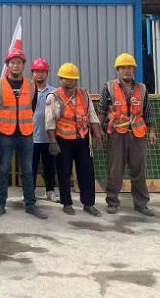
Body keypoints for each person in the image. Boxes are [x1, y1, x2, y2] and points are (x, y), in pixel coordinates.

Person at [0, 49, 47, 220]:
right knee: (3, 169)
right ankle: (0, 205)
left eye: (19, 62)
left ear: (23, 65)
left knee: (28, 170)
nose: (15, 65)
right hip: (5, 133)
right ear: (7, 65)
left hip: (26, 133)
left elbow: (32, 107)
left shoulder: (31, 85)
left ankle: (30, 205)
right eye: (12, 62)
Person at [98, 53, 157, 216]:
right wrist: (99, 131)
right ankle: (112, 202)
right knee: (115, 170)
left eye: (130, 67)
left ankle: (141, 204)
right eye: (123, 67)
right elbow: (102, 110)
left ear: (134, 69)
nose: (126, 70)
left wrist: (152, 131)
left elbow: (148, 111)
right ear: (118, 69)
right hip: (117, 135)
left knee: (139, 170)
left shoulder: (142, 88)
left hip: (138, 135)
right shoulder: (109, 87)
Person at [46, 63, 103, 217]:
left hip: (82, 138)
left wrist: (97, 135)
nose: (70, 81)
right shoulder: (54, 97)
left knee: (87, 172)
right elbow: (50, 121)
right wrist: (52, 141)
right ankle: (67, 203)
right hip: (62, 139)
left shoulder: (84, 94)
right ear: (60, 79)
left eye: (72, 79)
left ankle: (88, 203)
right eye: (66, 78)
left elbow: (92, 115)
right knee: (64, 172)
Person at [30, 58, 60, 203]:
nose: (39, 74)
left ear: (47, 73)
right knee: (30, 167)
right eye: (36, 71)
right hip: (30, 137)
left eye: (43, 71)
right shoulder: (28, 91)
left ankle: (50, 191)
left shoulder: (54, 92)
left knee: (49, 167)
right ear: (32, 73)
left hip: (49, 137)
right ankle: (29, 192)